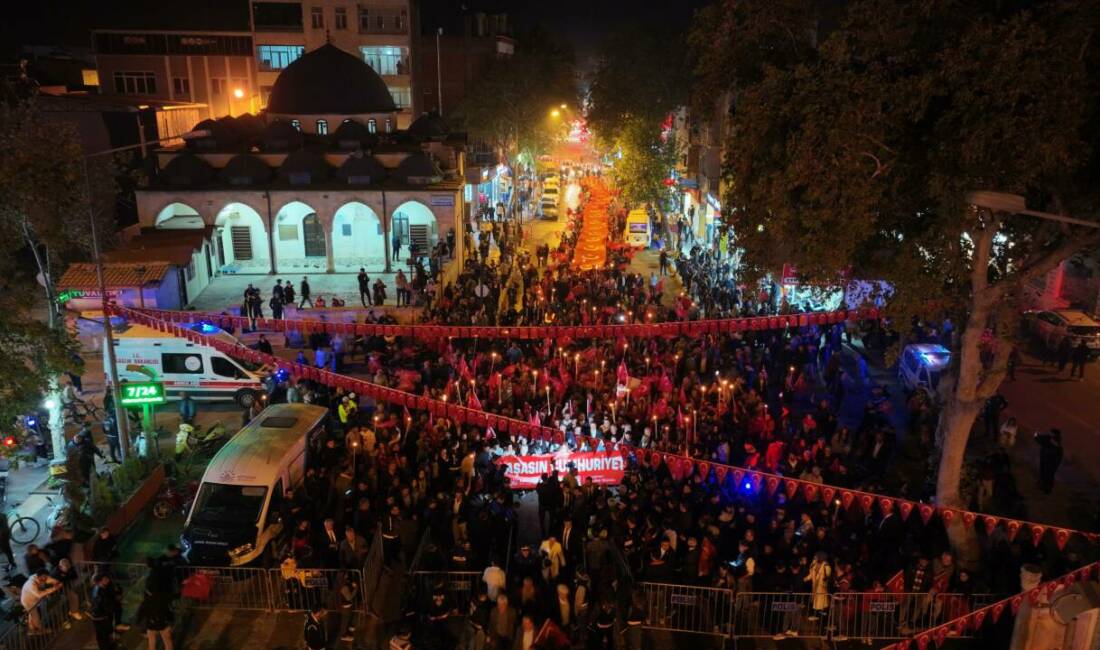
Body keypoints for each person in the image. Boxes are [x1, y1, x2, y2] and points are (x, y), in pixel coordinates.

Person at [90, 573, 122, 649]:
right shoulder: (99, 592)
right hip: (100, 617)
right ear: (100, 581)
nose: (108, 580)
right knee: (102, 635)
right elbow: (103, 604)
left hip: (101, 616)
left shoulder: (100, 588)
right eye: (105, 579)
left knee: (105, 634)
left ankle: (109, 645)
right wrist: (112, 608)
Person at [1036, 428, 1064, 494]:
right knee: (1044, 474)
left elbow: (1058, 456)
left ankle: (1047, 489)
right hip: (1045, 459)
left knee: (1048, 475)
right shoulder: (1049, 439)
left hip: (1050, 462)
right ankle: (1043, 487)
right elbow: (1038, 439)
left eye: (1051, 433)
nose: (1049, 434)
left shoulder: (1055, 443)